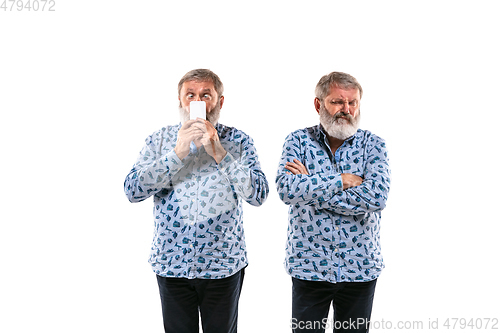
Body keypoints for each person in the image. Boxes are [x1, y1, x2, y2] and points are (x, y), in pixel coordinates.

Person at [124, 69, 269, 333]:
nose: (197, 102)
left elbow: (258, 195)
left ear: (220, 102)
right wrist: (176, 153)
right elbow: (133, 190)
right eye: (190, 95)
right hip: (172, 264)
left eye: (205, 95)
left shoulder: (239, 141)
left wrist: (220, 153)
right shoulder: (159, 140)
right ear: (180, 101)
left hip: (223, 266)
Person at [276, 72, 391, 332]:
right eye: (337, 102)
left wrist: (311, 186)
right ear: (319, 104)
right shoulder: (298, 141)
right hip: (308, 268)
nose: (346, 110)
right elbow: (286, 189)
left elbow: (377, 196)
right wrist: (341, 181)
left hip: (360, 267)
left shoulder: (373, 145)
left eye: (353, 103)